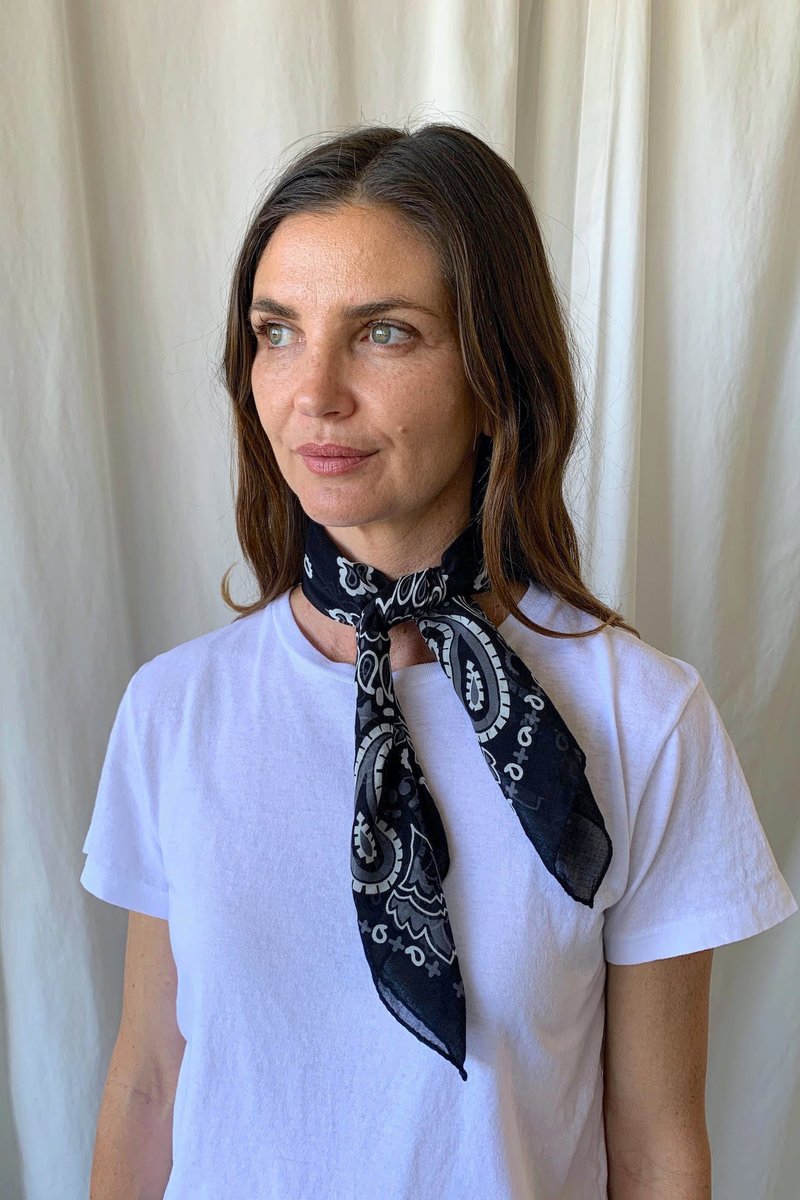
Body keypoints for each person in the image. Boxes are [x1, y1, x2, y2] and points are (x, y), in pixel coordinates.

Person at [80, 122, 797, 1200]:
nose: (314, 391)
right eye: (277, 332)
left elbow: (655, 1147)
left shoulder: (643, 719)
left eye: (384, 333)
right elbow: (148, 1082)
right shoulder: (174, 710)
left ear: (494, 370)